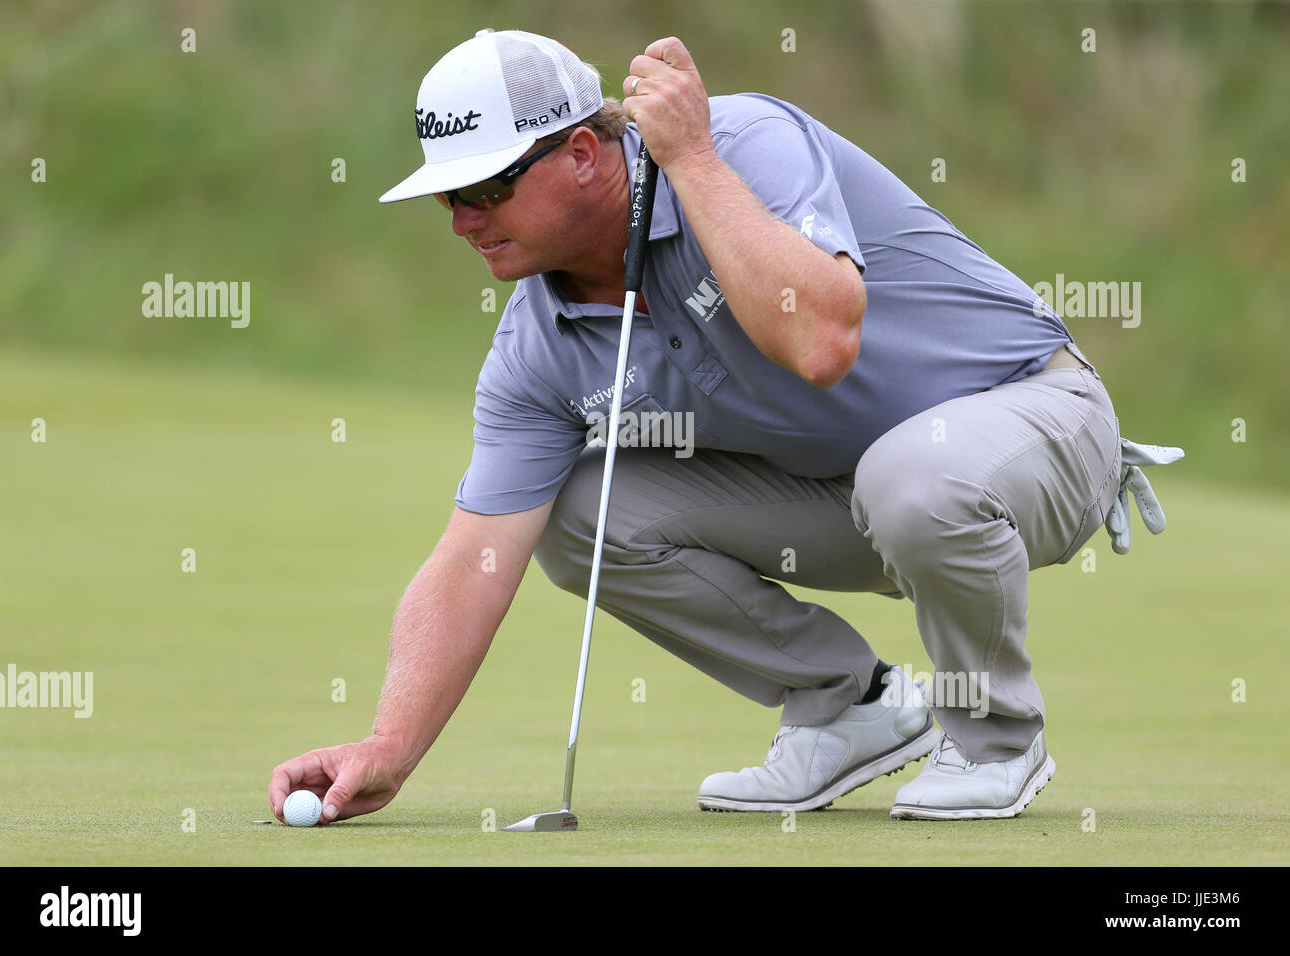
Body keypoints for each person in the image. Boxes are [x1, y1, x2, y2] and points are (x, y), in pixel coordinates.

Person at [269, 29, 1180, 824]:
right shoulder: (535, 349)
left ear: (584, 153)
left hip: (1035, 420)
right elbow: (472, 558)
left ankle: (994, 744)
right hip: (862, 493)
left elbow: (822, 340)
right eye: (446, 198)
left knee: (917, 475)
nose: (463, 220)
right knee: (580, 508)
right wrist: (387, 747)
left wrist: (695, 162)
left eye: (488, 189)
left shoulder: (741, 142)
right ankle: (846, 704)